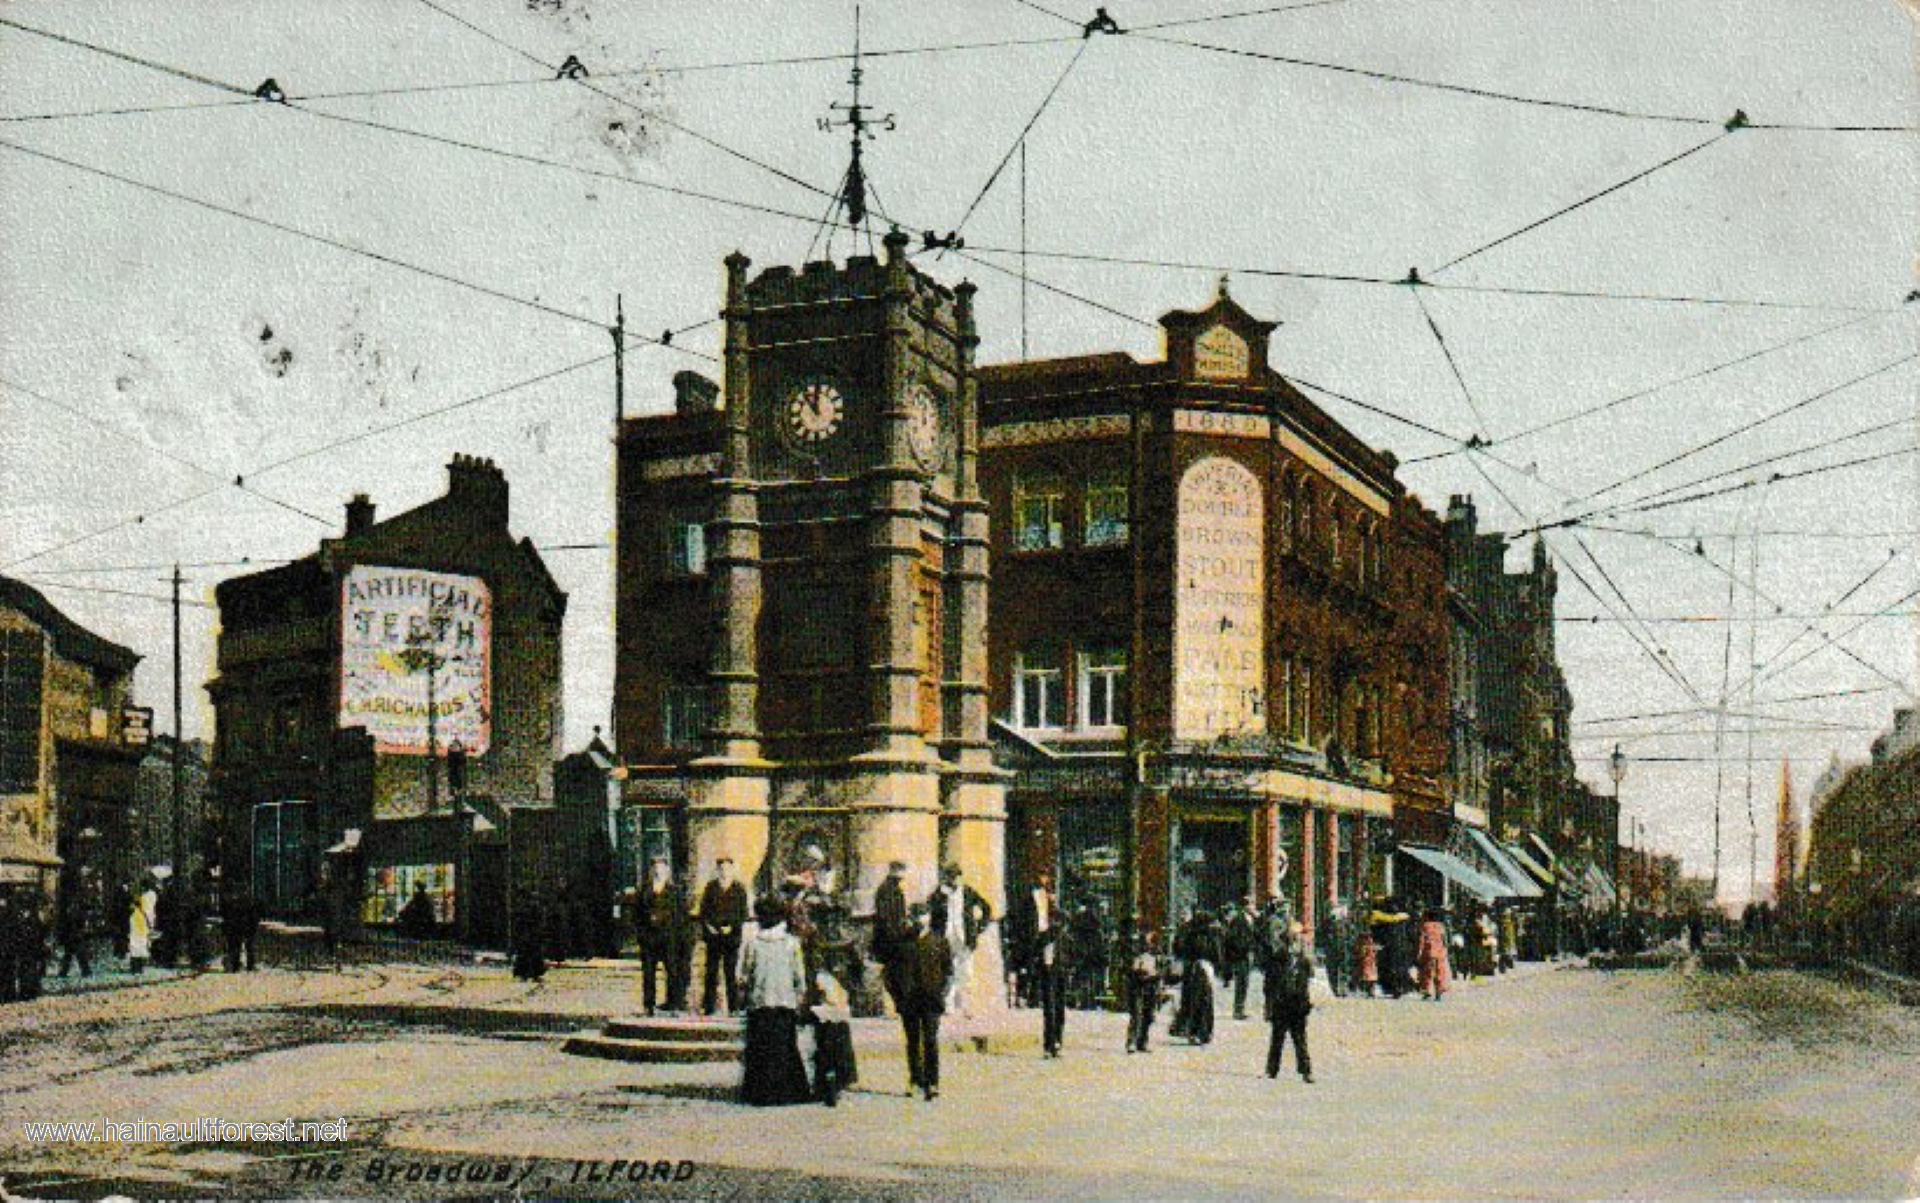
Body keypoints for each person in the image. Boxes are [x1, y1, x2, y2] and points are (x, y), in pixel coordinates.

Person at [739, 895, 812, 1107]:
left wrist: (745, 991)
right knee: (785, 1047)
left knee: (760, 1048)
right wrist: (800, 996)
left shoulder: (753, 944)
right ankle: (788, 1091)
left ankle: (760, 1092)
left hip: (760, 1002)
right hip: (784, 1002)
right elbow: (799, 975)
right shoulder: (791, 943)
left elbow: (743, 974)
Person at [896, 902, 953, 1101]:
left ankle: (932, 1082)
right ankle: (915, 1079)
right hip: (910, 1000)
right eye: (916, 916)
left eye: (923, 915)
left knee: (930, 1040)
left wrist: (942, 993)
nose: (920, 920)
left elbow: (948, 971)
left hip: (931, 999)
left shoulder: (938, 941)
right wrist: (898, 995)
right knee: (912, 1041)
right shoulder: (904, 943)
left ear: (929, 917)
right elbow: (892, 973)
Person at [1015, 870, 1068, 1058]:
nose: (1045, 880)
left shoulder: (1054, 901)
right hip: (1042, 952)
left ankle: (1056, 1041)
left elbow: (1062, 918)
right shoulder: (1029, 898)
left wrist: (1055, 907)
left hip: (1058, 960)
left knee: (1059, 1005)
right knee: (1050, 1002)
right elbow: (1024, 924)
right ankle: (1049, 1043)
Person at [929, 864, 991, 1016]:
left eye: (956, 877)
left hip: (964, 937)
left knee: (966, 972)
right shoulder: (939, 894)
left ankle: (964, 1004)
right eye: (951, 877)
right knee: (948, 970)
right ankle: (948, 1004)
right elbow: (932, 913)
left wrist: (979, 927)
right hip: (946, 937)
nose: (954, 880)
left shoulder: (967, 892)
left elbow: (986, 908)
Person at [633, 856, 687, 1015]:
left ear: (667, 871)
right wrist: (641, 934)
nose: (658, 872)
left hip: (668, 939)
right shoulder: (644, 890)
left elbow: (680, 915)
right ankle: (649, 1004)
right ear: (651, 871)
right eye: (655, 869)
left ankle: (673, 1003)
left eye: (662, 869)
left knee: (672, 971)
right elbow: (637, 915)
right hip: (649, 939)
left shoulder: (674, 891)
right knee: (648, 973)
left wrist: (676, 935)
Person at [1264, 922, 1315, 1083]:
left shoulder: (1303, 961)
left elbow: (1307, 982)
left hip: (1298, 1004)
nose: (1296, 942)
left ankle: (1306, 1070)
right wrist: (1268, 1005)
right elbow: (1269, 984)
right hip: (1281, 1003)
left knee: (1300, 1040)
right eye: (1293, 939)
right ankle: (1272, 1070)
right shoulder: (1276, 959)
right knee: (1277, 1038)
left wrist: (1307, 1002)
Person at [698, 858, 749, 1016]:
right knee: (711, 972)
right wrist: (710, 927)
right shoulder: (711, 888)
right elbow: (704, 911)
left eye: (727, 869)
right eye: (721, 869)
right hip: (713, 937)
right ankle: (708, 1006)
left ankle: (733, 1007)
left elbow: (743, 913)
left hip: (731, 938)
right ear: (717, 870)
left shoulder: (739, 889)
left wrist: (732, 926)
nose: (724, 872)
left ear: (732, 870)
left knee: (730, 973)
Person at [808, 967, 858, 1107]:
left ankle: (832, 1080)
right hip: (829, 995)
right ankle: (834, 1081)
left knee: (830, 1040)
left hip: (833, 992)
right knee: (831, 1040)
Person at [1170, 907, 1218, 1046]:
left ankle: (1191, 1030)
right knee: (1204, 1002)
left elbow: (1179, 949)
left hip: (1191, 970)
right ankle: (1203, 1032)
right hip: (1203, 970)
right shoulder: (1208, 934)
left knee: (1191, 1001)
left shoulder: (1188, 932)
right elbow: (1216, 953)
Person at [871, 860, 911, 1013]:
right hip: (890, 940)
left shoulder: (893, 889)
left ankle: (894, 1005)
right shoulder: (887, 890)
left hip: (892, 938)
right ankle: (890, 1006)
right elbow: (885, 917)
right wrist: (896, 936)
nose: (903, 875)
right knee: (891, 973)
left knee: (893, 972)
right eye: (901, 871)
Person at [1125, 928, 1164, 1053]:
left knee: (1148, 1015)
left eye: (1152, 942)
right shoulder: (1137, 954)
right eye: (1148, 942)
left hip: (1151, 986)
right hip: (1138, 986)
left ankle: (1142, 1042)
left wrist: (1158, 979)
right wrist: (1141, 973)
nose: (1150, 945)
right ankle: (1131, 1042)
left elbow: (1162, 972)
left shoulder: (1158, 956)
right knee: (1136, 1014)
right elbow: (1131, 970)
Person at [1221, 898, 1258, 1019]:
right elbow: (1234, 938)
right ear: (1246, 906)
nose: (1254, 907)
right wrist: (1244, 948)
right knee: (1241, 983)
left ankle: (1240, 1008)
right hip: (1241, 956)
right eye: (1252, 904)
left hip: (1246, 955)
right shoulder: (1239, 920)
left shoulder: (1249, 918)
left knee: (1244, 982)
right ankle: (1238, 1010)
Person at [54, 876, 92, 979]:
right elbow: (77, 917)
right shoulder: (76, 902)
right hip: (75, 932)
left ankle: (65, 972)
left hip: (72, 932)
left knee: (70, 953)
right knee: (77, 953)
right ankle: (85, 971)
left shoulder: (69, 902)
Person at [222, 881, 261, 973]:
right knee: (249, 946)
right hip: (247, 926)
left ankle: (236, 966)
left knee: (236, 946)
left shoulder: (232, 901)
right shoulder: (251, 901)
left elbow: (226, 915)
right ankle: (249, 966)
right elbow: (255, 915)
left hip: (237, 927)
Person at [1416, 908, 1452, 1001]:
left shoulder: (1425, 926)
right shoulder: (1441, 926)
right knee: (1440, 971)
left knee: (1427, 972)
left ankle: (1427, 991)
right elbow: (1445, 940)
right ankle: (1438, 992)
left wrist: (1419, 952)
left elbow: (1422, 940)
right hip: (1440, 951)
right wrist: (1446, 949)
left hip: (1429, 952)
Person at [128, 877, 158, 973]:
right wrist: (151, 923)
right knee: (142, 944)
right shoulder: (153, 895)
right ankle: (140, 966)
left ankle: (136, 966)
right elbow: (150, 911)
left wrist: (135, 904)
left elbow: (142, 909)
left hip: (138, 921)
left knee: (136, 944)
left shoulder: (144, 897)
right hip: (144, 922)